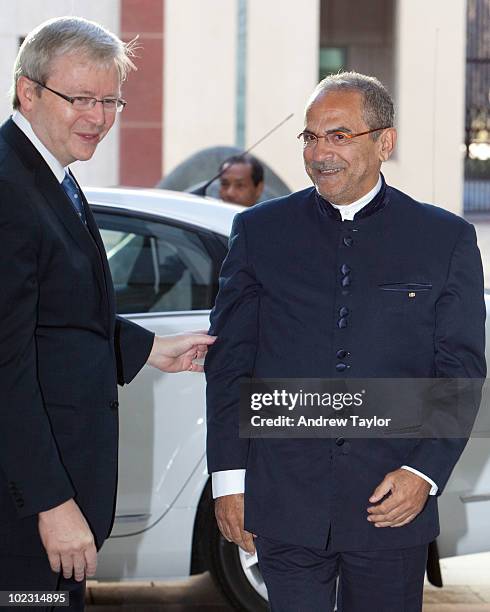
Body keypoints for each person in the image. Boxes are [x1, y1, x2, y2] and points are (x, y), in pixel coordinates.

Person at [206, 72, 486, 611]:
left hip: (390, 501)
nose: (319, 153)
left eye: (338, 135)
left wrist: (423, 472)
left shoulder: (444, 240)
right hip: (283, 501)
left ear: (384, 142)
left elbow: (459, 372)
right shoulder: (260, 232)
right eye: (310, 137)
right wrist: (229, 479)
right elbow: (230, 364)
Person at [0, 16, 215, 606]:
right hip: (22, 512)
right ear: (29, 91)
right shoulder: (8, 188)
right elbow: (5, 365)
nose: (99, 118)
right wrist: (51, 503)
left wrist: (146, 348)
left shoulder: (47, 174)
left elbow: (53, 318)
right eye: (81, 99)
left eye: (111, 100)